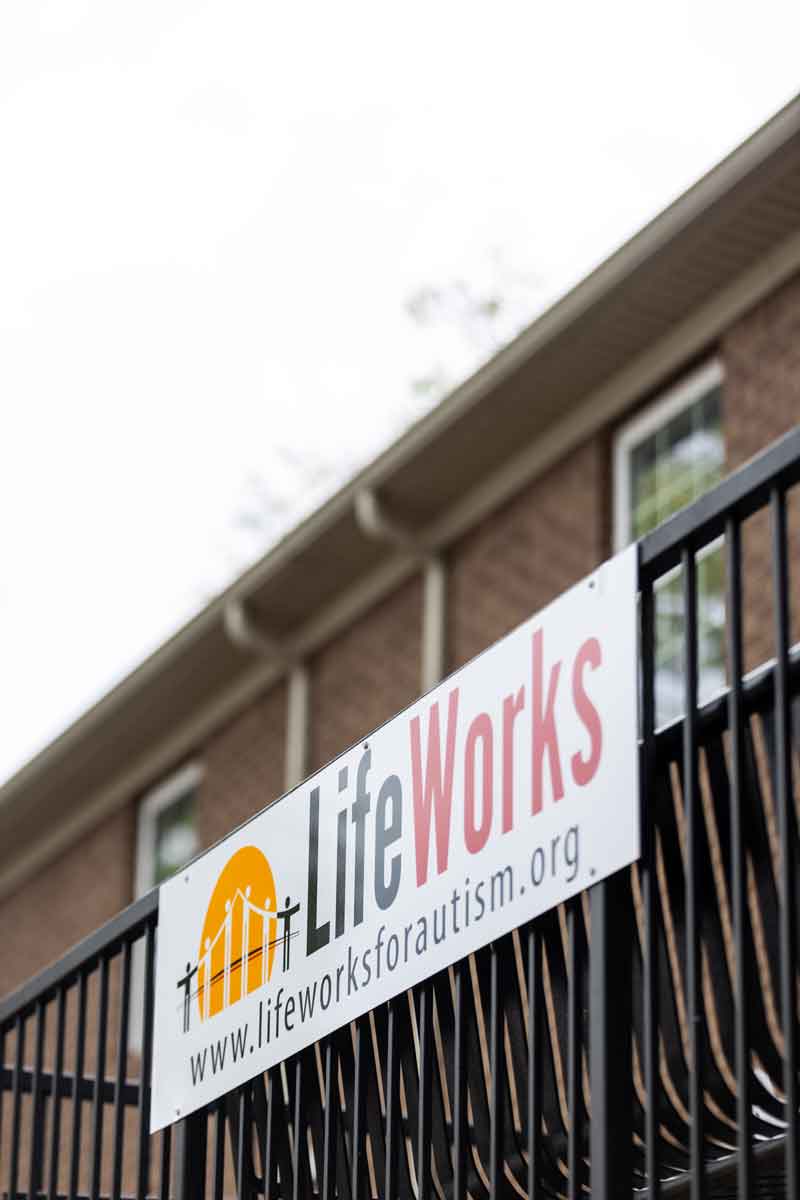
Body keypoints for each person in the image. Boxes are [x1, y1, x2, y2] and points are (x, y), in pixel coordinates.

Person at [275, 895, 300, 972]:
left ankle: (286, 966)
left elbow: (297, 908)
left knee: (287, 945)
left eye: (287, 902)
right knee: (286, 944)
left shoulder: (290, 910)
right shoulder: (285, 912)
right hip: (286, 930)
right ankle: (285, 967)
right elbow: (277, 915)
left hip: (288, 930)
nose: (287, 904)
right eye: (286, 902)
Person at [176, 960, 198, 1032]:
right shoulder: (187, 977)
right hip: (186, 995)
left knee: (187, 1009)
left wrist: (196, 968)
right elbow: (179, 984)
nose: (188, 969)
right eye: (188, 968)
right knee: (186, 1009)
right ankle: (185, 1028)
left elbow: (193, 972)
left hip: (188, 994)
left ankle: (186, 1027)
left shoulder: (188, 976)